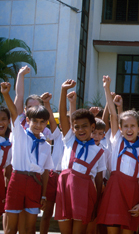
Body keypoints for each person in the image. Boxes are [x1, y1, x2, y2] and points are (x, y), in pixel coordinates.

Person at [97, 75, 139, 234]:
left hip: (132, 193)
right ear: (120, 129)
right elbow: (113, 116)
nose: (129, 129)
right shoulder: (117, 141)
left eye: (133, 126)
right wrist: (107, 88)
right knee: (112, 230)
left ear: (138, 127)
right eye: (126, 126)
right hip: (114, 191)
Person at [55, 80, 106, 234]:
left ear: (92, 127)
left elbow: (98, 179)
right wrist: (63, 91)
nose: (80, 129)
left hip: (85, 192)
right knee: (65, 230)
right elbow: (63, 115)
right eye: (76, 127)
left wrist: (96, 205)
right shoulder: (69, 139)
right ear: (72, 128)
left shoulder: (99, 151)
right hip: (64, 187)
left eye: (85, 126)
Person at [1, 82, 53, 234]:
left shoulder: (46, 145)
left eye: (42, 122)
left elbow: (45, 172)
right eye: (35, 121)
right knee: (11, 228)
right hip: (17, 181)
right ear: (27, 120)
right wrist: (5, 94)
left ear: (46, 123)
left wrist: (43, 194)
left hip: (34, 184)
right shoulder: (20, 134)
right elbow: (13, 112)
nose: (38, 125)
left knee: (30, 228)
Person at [39, 93, 64, 234]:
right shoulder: (59, 135)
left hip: (66, 178)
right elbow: (51, 120)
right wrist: (46, 103)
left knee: (64, 215)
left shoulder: (80, 139)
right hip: (53, 176)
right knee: (47, 213)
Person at [87, 118, 112, 234]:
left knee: (98, 217)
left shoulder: (105, 152)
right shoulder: (83, 147)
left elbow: (107, 171)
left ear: (104, 135)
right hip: (86, 186)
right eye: (94, 133)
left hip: (101, 188)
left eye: (99, 133)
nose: (96, 136)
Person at [0, 106, 12, 215]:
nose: (0, 122)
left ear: (8, 121)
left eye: (3, 119)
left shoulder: (10, 146)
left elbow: (8, 174)